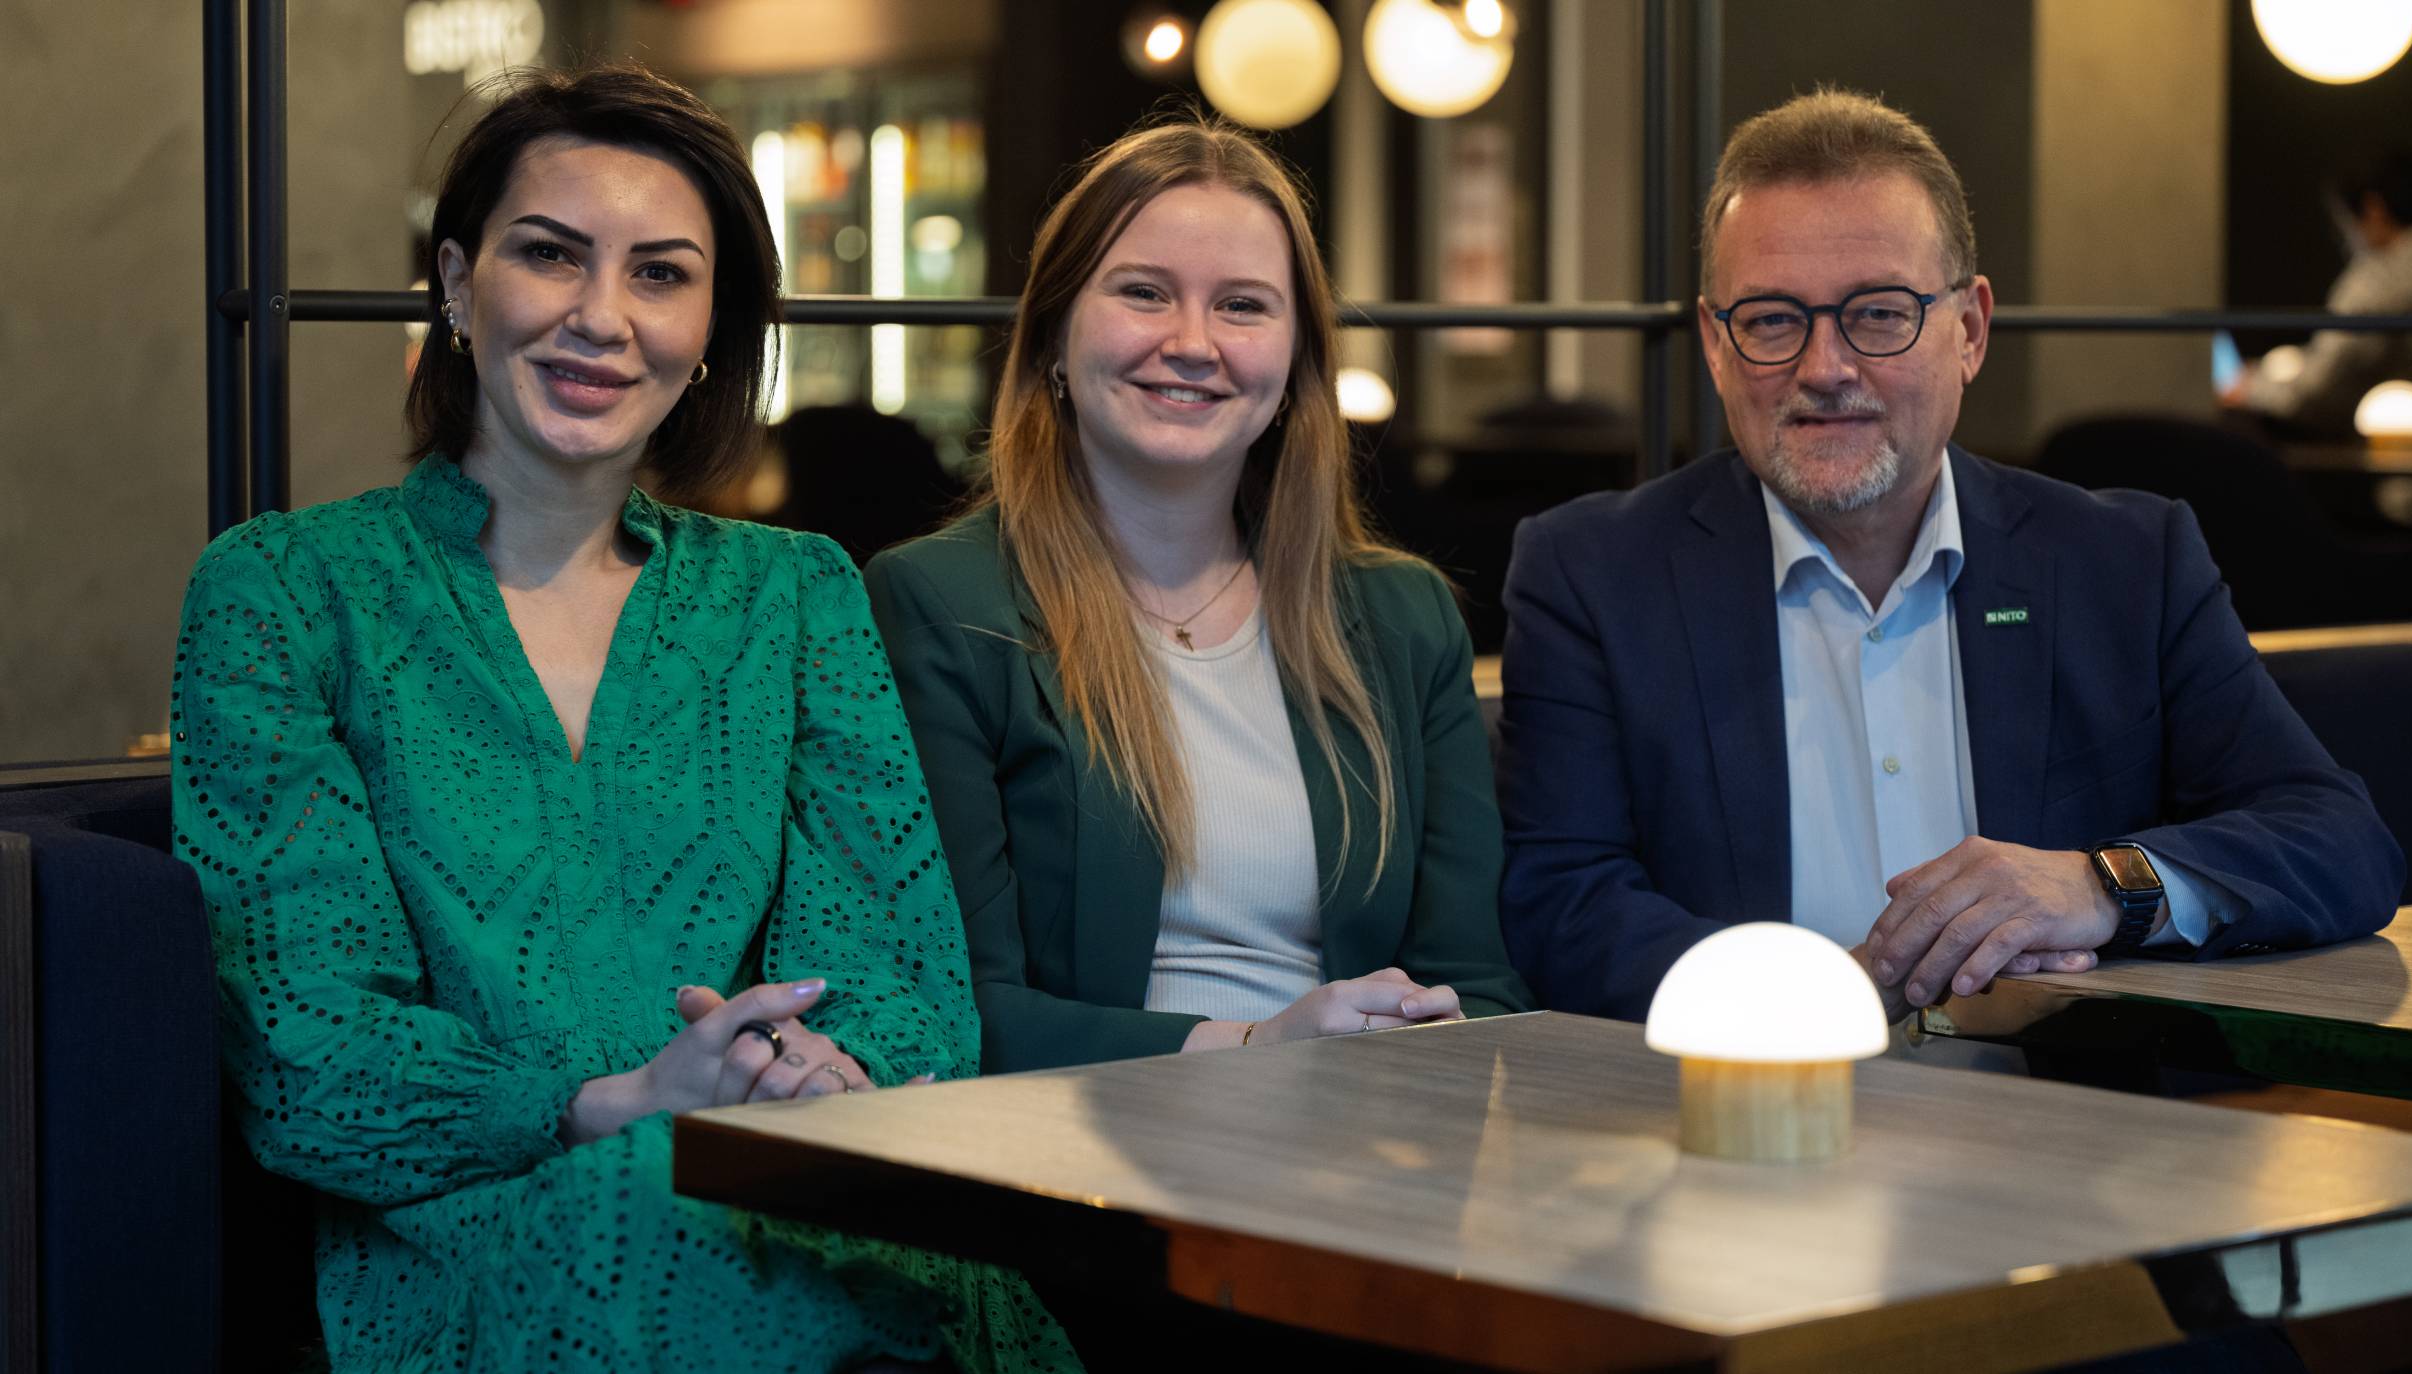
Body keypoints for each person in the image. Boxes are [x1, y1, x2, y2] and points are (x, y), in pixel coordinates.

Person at [169, 65, 1073, 1372]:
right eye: (551, 255)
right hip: (472, 1237)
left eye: (661, 273)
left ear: (713, 329)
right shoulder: (284, 593)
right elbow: (309, 1053)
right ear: (456, 282)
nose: (602, 316)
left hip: (793, 1188)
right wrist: (623, 1102)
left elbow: (903, 990)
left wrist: (796, 1074)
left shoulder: (798, 594)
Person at [1496, 89, 2404, 1024]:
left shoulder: (2126, 563)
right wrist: (1826, 1000)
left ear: (1968, 331)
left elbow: (2337, 841)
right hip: (1747, 1120)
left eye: (1879, 314)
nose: (1824, 368)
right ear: (1715, 347)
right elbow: (1562, 904)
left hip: (2079, 1133)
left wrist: (2102, 886)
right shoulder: (1594, 575)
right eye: (1770, 320)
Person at [863, 115, 1530, 1075]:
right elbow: (958, 1012)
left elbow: (1481, 986)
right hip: (1074, 1153)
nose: (1192, 343)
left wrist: (1404, 1055)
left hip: (1369, 1135)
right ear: (1054, 333)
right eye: (1143, 293)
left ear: (1298, 360)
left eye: (1244, 306)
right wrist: (1257, 1046)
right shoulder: (940, 603)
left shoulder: (1402, 616)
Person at [2231, 147, 2412, 439]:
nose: (2348, 240)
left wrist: (2251, 388)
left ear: (2373, 209)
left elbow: (2313, 393)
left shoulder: (2376, 285)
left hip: (2382, 459)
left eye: (2344, 224)